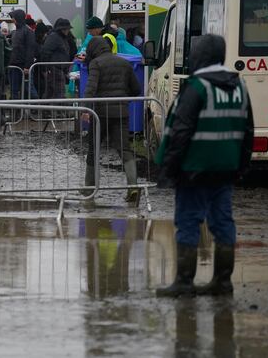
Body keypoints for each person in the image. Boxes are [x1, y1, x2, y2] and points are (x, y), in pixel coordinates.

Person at [155, 35, 254, 298]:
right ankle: (223, 282)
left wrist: (168, 169)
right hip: (225, 170)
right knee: (223, 222)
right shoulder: (239, 87)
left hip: (193, 169)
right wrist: (241, 168)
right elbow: (248, 132)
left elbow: (180, 131)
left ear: (200, 56)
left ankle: (184, 283)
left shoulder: (197, 87)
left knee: (188, 221)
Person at [82, 37, 141, 201]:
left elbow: (91, 88)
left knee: (94, 148)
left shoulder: (96, 63)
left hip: (100, 114)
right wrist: (123, 99)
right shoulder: (124, 63)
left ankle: (89, 189)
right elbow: (136, 89)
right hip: (121, 113)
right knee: (124, 149)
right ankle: (133, 187)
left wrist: (85, 108)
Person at [39, 18, 73, 100]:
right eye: (66, 29)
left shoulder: (59, 37)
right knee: (59, 92)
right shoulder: (55, 37)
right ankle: (59, 111)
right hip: (55, 69)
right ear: (62, 29)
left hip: (56, 69)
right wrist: (45, 69)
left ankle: (45, 111)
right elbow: (45, 52)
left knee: (50, 93)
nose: (68, 31)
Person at [9, 9, 36, 100]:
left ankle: (38, 108)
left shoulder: (28, 32)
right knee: (14, 90)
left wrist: (27, 66)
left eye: (13, 17)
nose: (12, 19)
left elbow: (30, 49)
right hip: (14, 65)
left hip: (23, 66)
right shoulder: (15, 32)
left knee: (29, 89)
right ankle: (16, 112)